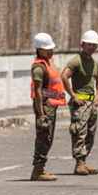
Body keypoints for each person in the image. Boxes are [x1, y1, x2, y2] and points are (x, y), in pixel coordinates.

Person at [62, 30, 98, 175]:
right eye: (89, 44)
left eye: (94, 45)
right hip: (80, 104)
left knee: (90, 133)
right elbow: (64, 76)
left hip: (91, 104)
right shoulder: (76, 61)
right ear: (82, 45)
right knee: (79, 132)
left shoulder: (95, 63)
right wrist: (73, 96)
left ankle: (84, 162)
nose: (91, 47)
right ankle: (79, 163)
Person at [30, 32, 67, 181]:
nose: (50, 51)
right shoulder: (39, 67)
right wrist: (42, 114)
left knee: (48, 137)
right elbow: (38, 92)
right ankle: (38, 170)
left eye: (51, 48)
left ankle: (40, 168)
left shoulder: (49, 62)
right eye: (47, 49)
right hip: (44, 106)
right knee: (43, 137)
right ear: (39, 49)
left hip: (51, 105)